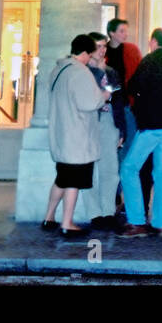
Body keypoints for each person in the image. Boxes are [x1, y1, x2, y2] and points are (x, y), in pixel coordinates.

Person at [42, 35, 111, 238]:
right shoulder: (80, 72)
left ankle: (49, 217)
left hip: (61, 134)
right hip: (77, 137)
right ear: (84, 53)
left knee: (61, 179)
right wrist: (104, 96)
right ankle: (67, 223)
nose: (91, 59)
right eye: (90, 54)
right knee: (74, 181)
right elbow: (89, 103)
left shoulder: (59, 69)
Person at [118, 28, 162, 237]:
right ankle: (159, 222)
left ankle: (136, 221)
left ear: (154, 42)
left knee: (128, 168)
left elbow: (133, 86)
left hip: (152, 125)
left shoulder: (149, 61)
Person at [83, 31, 126, 231]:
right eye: (98, 46)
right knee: (90, 170)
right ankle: (94, 213)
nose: (102, 50)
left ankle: (108, 211)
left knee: (110, 169)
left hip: (109, 121)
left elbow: (117, 100)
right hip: (89, 122)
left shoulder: (111, 71)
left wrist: (122, 129)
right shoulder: (83, 71)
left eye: (104, 46)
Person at [107, 19, 146, 216]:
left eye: (126, 31)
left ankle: (118, 192)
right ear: (112, 33)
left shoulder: (131, 50)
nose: (125, 34)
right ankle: (110, 193)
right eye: (121, 31)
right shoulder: (102, 52)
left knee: (127, 149)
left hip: (127, 106)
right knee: (110, 149)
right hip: (108, 108)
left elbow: (137, 76)